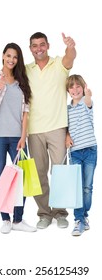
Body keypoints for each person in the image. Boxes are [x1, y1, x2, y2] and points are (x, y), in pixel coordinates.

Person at [0, 42, 36, 234]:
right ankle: (5, 218)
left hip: (17, 137)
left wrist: (23, 136)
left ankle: (18, 219)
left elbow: (25, 113)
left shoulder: (22, 81)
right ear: (3, 56)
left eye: (15, 57)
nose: (11, 60)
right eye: (8, 56)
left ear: (18, 59)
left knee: (21, 177)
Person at [26, 32, 76, 229]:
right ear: (30, 48)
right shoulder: (26, 69)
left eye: (42, 44)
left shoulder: (59, 65)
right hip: (34, 130)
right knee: (39, 174)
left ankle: (61, 212)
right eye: (35, 45)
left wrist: (70, 46)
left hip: (57, 127)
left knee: (60, 173)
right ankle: (44, 213)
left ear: (48, 45)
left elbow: (70, 57)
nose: (39, 48)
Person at [65, 74, 97, 236]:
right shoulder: (67, 109)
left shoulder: (86, 103)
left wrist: (88, 95)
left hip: (90, 150)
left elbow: (89, 101)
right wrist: (67, 136)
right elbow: (65, 129)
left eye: (78, 86)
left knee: (87, 187)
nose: (75, 90)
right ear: (68, 91)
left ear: (83, 88)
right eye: (72, 87)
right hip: (75, 152)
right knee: (77, 187)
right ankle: (78, 220)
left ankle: (84, 216)